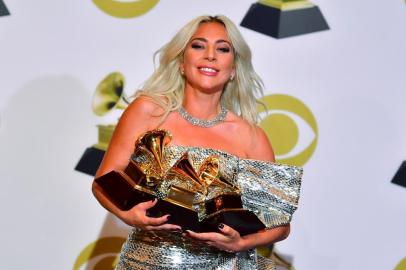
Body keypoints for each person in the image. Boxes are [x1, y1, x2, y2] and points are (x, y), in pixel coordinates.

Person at [92, 15, 301, 270]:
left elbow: (279, 225)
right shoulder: (147, 111)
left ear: (234, 68)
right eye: (198, 45)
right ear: (181, 61)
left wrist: (241, 243)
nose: (210, 55)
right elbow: (103, 182)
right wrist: (128, 216)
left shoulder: (252, 137)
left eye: (223, 49)